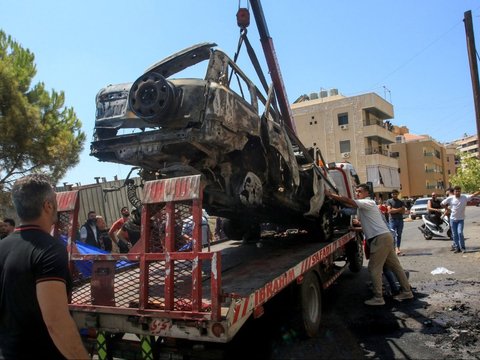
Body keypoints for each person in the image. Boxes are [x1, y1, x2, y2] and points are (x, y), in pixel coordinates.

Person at [0, 174, 89, 359]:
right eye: (55, 200)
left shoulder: (2, 247)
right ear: (48, 206)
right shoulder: (49, 249)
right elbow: (56, 322)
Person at [325, 183, 413, 306]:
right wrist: (341, 213)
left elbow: (348, 201)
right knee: (395, 267)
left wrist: (331, 195)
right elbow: (362, 221)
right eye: (356, 191)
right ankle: (407, 291)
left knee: (373, 268)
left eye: (359, 191)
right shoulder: (363, 208)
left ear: (367, 192)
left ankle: (378, 297)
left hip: (380, 239)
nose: (357, 193)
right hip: (385, 237)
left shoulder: (368, 202)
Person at [441, 186, 480, 253]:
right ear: (454, 192)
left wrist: (479, 191)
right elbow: (442, 203)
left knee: (460, 233)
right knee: (454, 234)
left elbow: (473, 195)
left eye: (459, 191)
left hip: (460, 219)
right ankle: (457, 248)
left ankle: (463, 247)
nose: (458, 192)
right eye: (456, 191)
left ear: (460, 191)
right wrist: (447, 209)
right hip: (453, 219)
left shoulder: (464, 197)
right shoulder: (450, 198)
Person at [386, 189, 406, 255]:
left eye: (395, 193)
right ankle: (393, 249)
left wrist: (394, 210)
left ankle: (398, 249)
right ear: (391, 194)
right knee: (392, 235)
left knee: (399, 235)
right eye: (393, 193)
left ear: (397, 194)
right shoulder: (389, 201)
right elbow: (389, 211)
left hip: (400, 220)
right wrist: (399, 209)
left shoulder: (401, 202)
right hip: (392, 220)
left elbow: (403, 212)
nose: (394, 195)